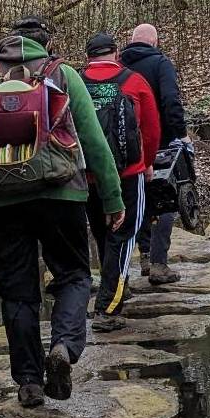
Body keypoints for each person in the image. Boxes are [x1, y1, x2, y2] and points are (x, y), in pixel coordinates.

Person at [0, 16, 124, 409]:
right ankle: (64, 348)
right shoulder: (63, 75)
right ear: (47, 46)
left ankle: (29, 383)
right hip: (61, 196)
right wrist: (112, 199)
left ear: (4, 45)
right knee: (73, 275)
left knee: (17, 293)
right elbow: (94, 141)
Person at [80, 33, 161, 332]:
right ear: (116, 53)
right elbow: (152, 129)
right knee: (125, 236)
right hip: (128, 174)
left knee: (103, 234)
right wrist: (148, 162)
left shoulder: (75, 83)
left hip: (88, 176)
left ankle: (114, 287)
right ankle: (108, 307)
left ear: (88, 55)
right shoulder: (135, 81)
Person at [120, 23, 188, 284]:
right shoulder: (161, 63)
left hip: (127, 146)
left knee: (138, 198)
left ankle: (145, 256)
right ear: (155, 42)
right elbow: (171, 100)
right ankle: (159, 264)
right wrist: (181, 133)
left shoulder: (120, 67)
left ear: (131, 40)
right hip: (161, 141)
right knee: (166, 198)